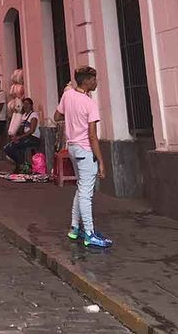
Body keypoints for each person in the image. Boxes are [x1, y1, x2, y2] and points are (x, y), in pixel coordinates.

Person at [54, 66, 112, 248]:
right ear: (86, 81)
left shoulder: (68, 95)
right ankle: (89, 233)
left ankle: (74, 228)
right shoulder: (90, 104)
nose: (96, 82)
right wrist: (101, 161)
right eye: (94, 80)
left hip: (72, 147)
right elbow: (93, 136)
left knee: (81, 189)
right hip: (85, 150)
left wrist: (71, 116)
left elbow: (57, 116)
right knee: (87, 193)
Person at [3, 98, 40, 172]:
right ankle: (20, 163)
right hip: (25, 137)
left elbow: (31, 130)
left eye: (28, 104)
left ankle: (22, 165)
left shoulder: (34, 115)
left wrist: (20, 137)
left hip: (33, 138)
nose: (26, 106)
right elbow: (20, 129)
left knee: (16, 146)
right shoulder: (24, 116)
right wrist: (15, 136)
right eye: (24, 104)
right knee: (7, 148)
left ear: (31, 105)